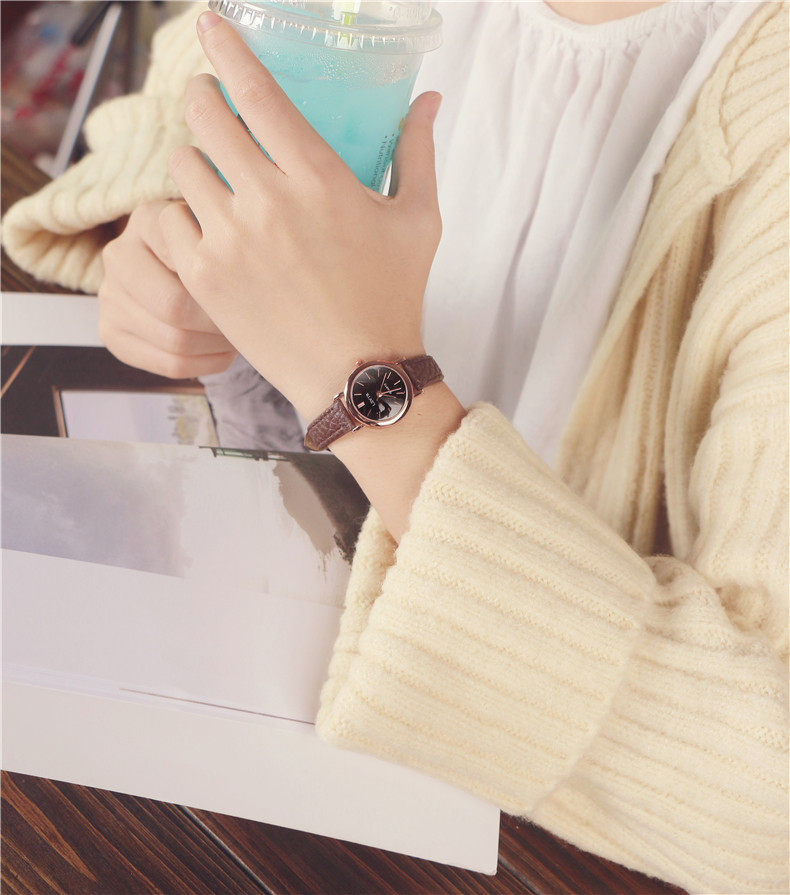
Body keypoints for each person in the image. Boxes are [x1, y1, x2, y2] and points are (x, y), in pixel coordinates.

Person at [3, 2, 788, 892]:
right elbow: (187, 91)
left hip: (509, 803)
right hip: (224, 645)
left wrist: (369, 383)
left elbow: (766, 802)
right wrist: (168, 239)